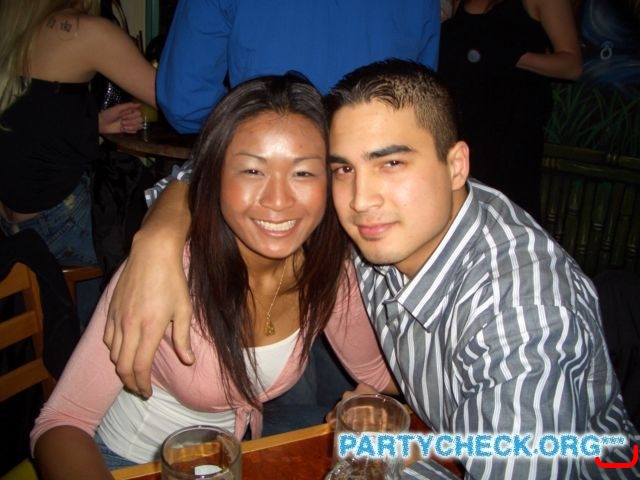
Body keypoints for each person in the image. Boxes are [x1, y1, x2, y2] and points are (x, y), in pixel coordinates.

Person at [105, 60, 640, 478]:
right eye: (343, 168)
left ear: (456, 165)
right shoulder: (393, 221)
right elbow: (215, 169)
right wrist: (158, 238)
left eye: (392, 163)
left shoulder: (521, 315)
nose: (362, 199)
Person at [30, 74, 394, 479]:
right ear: (214, 177)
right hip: (129, 465)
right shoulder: (169, 270)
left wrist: (382, 400)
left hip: (232, 455)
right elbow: (62, 423)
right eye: (252, 171)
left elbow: (380, 375)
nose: (278, 201)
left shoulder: (327, 272)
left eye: (303, 173)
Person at [0, 0, 156, 324]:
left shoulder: (13, 27)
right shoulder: (83, 31)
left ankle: (85, 334)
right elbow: (176, 99)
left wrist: (94, 123)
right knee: (170, 223)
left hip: (13, 221)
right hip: (59, 222)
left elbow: (24, 119)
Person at [157, 0, 441, 134]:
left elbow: (185, 101)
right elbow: (420, 105)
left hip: (268, 169)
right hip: (372, 176)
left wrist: (248, 132)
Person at [438, 0, 583, 220]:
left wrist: (516, 56)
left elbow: (572, 66)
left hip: (511, 132)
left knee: (505, 216)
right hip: (462, 127)